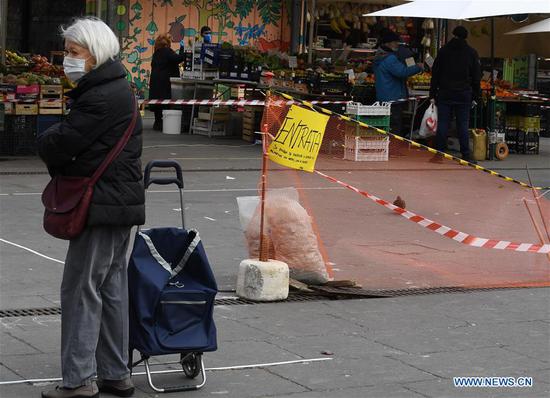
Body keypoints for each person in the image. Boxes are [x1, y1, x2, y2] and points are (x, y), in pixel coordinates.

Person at [38, 17, 145, 398]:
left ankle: (80, 380)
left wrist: (48, 138)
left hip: (99, 205)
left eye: (73, 52)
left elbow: (63, 144)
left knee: (81, 288)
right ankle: (116, 373)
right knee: (111, 286)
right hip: (118, 205)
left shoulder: (100, 96)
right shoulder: (119, 89)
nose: (67, 59)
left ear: (94, 53)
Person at [429, 25, 481, 163]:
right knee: (462, 125)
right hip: (464, 93)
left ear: (453, 35)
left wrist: (432, 94)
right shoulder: (471, 53)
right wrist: (476, 95)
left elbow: (435, 74)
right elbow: (476, 77)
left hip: (445, 93)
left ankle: (439, 154)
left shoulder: (443, 51)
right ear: (466, 37)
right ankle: (466, 154)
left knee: (443, 124)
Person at [373, 30, 423, 136]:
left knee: (387, 124)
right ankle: (394, 147)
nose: (397, 44)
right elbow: (402, 72)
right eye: (395, 42)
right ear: (388, 43)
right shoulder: (390, 58)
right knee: (395, 125)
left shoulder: (379, 56)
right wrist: (418, 67)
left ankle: (388, 145)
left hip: (384, 96)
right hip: (393, 97)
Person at [149, 33, 185, 131]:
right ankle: (165, 124)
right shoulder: (167, 51)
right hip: (164, 81)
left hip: (155, 80)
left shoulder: (156, 53)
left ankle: (157, 122)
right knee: (165, 101)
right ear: (167, 43)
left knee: (157, 101)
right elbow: (179, 59)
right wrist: (182, 48)